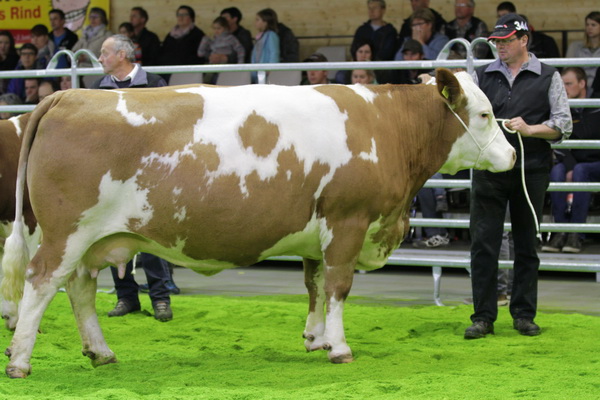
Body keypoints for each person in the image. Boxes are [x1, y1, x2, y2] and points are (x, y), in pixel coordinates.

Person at [465, 14, 572, 339]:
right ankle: (483, 317)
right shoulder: (481, 75)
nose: (500, 46)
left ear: (524, 40)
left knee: (527, 245)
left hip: (531, 170)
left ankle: (524, 314)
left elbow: (562, 125)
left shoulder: (549, 76)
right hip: (488, 170)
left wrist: (530, 129)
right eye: (497, 41)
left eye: (507, 40)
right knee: (483, 245)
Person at [90, 35, 173, 321]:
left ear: (122, 55)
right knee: (116, 232)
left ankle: (161, 298)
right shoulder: (98, 90)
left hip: (151, 172)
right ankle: (127, 297)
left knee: (152, 235)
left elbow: (167, 127)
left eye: (104, 53)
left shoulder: (154, 83)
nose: (100, 59)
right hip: (114, 173)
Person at [542, 67, 600, 254]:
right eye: (562, 84)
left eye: (569, 84)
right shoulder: (562, 110)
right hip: (575, 164)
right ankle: (560, 232)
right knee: (557, 171)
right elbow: (560, 144)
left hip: (594, 163)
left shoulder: (597, 106)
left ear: (582, 84)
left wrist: (573, 167)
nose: (564, 89)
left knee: (581, 170)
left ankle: (576, 233)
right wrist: (570, 167)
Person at [351, 0, 397, 83]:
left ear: (383, 10)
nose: (371, 11)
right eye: (369, 8)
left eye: (375, 8)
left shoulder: (390, 31)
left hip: (381, 68)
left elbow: (389, 53)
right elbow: (353, 50)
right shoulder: (362, 30)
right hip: (359, 66)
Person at [158, 5, 205, 82]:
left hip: (187, 73)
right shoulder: (171, 34)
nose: (180, 17)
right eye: (179, 15)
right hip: (167, 71)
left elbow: (199, 57)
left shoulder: (198, 34)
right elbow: (163, 52)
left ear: (191, 18)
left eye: (184, 15)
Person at [566, 11, 600, 92]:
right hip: (579, 86)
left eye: (593, 25)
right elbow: (568, 70)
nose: (589, 28)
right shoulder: (574, 46)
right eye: (587, 25)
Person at [251, 9, 280, 83]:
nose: (255, 22)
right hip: (259, 71)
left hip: (267, 72)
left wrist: (272, 68)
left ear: (265, 22)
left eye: (258, 20)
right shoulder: (260, 36)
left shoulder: (271, 35)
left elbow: (274, 52)